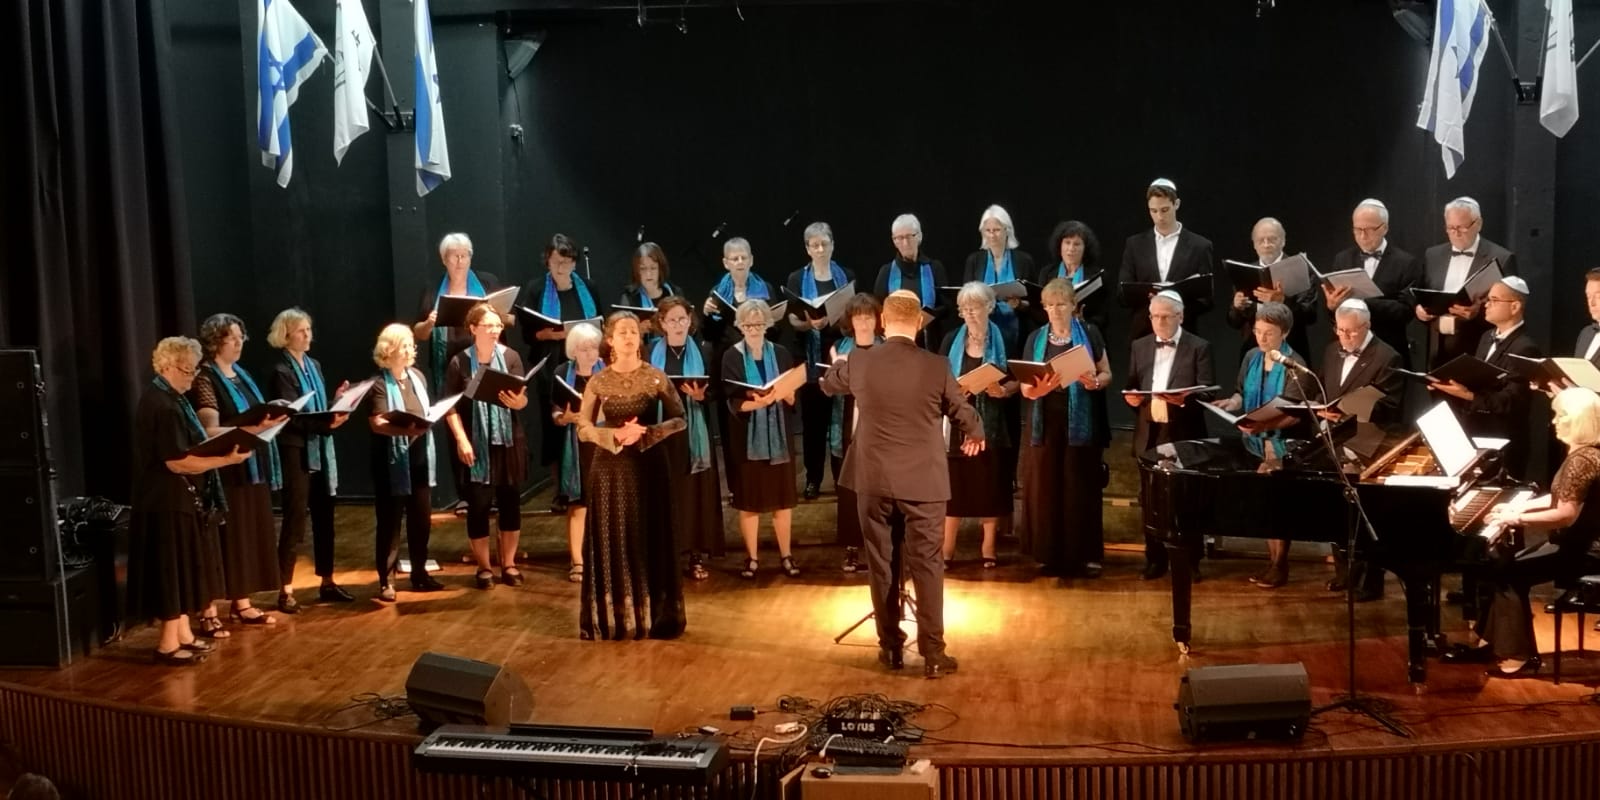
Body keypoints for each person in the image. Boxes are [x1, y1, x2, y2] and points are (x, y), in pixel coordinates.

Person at [821, 290, 985, 678]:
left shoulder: (860, 361)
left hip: (873, 479)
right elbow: (961, 410)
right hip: (923, 481)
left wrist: (837, 365)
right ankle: (933, 654)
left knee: (881, 563)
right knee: (928, 564)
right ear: (918, 324)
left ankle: (891, 648)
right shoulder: (936, 365)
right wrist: (975, 431)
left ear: (882, 323)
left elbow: (828, 384)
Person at [1445, 387, 1600, 676]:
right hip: (1580, 542)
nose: (1553, 421)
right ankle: (1492, 641)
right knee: (1502, 567)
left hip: (1585, 550)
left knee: (1508, 574)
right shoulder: (1588, 452)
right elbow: (1563, 496)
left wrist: (1515, 517)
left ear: (1579, 421)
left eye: (1561, 416)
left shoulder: (1581, 461)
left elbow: (1565, 514)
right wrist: (1521, 506)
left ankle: (1517, 656)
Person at [127, 337, 246, 664]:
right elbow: (176, 461)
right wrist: (226, 460)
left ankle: (183, 634)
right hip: (165, 501)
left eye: (194, 371)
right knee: (171, 571)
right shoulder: (163, 406)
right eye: (186, 371)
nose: (192, 378)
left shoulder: (171, 399)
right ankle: (167, 644)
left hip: (175, 498)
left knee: (180, 570)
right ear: (166, 366)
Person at [575, 312, 688, 639]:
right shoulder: (599, 381)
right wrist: (613, 435)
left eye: (634, 332)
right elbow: (583, 427)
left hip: (649, 465)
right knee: (617, 537)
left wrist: (648, 433)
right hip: (610, 469)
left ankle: (655, 615)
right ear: (610, 340)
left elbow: (680, 418)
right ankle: (618, 618)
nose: (629, 337)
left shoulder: (655, 377)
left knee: (648, 534)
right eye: (622, 332)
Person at [190, 313, 281, 632]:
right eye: (233, 337)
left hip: (252, 466)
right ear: (216, 341)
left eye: (242, 337)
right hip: (225, 470)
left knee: (246, 536)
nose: (240, 342)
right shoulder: (205, 377)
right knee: (223, 539)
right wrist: (254, 427)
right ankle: (208, 610)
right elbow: (208, 429)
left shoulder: (241, 374)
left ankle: (242, 602)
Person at [1210, 302, 1311, 588]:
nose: (1261, 338)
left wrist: (1264, 426)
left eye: (1269, 333)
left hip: (1283, 444)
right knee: (1264, 506)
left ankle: (1280, 564)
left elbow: (1294, 414)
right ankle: (1273, 561)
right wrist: (1230, 403)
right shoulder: (1251, 356)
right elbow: (1241, 393)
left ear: (1285, 333)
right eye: (1257, 331)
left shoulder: (1295, 364)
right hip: (1254, 444)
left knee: (1278, 506)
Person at [1017, 279, 1112, 577]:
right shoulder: (1035, 338)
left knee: (1079, 485)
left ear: (1073, 306)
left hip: (1081, 421)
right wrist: (1039, 389)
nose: (1056, 310)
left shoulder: (1090, 333)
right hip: (1045, 420)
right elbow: (1025, 388)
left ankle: (1084, 556)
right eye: (1050, 305)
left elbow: (1106, 373)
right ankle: (1049, 555)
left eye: (1061, 304)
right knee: (1046, 486)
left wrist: (1094, 382)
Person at [1124, 291, 1216, 578]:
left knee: (1187, 499)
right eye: (1155, 316)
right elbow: (1133, 384)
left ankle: (1190, 561)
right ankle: (1155, 558)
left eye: (1166, 316)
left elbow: (1208, 392)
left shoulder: (1199, 346)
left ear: (1181, 316)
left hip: (1183, 431)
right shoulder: (1139, 346)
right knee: (1150, 499)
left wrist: (1185, 400)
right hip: (1150, 431)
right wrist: (1133, 399)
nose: (1160, 322)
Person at [1318, 298, 1404, 602]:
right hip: (1335, 440)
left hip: (1369, 444)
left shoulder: (1388, 356)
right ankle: (1345, 575)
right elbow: (1324, 389)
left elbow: (1389, 406)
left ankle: (1370, 582)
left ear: (1367, 326)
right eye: (1340, 330)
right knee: (1336, 513)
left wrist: (1348, 410)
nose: (1345, 337)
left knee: (1367, 515)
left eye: (1352, 331)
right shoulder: (1331, 351)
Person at [267, 308, 352, 612]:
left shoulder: (313, 365)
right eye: (301, 330)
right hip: (296, 450)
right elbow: (292, 416)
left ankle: (327, 581)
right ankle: (285, 589)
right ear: (286, 335)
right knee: (295, 519)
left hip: (319, 447)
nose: (307, 335)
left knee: (325, 515)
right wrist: (328, 422)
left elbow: (315, 410)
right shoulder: (281, 371)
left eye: (308, 329)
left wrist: (336, 402)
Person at [443, 303, 531, 590]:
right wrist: (461, 440)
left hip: (508, 440)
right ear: (473, 328)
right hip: (475, 443)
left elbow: (522, 399)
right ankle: (483, 567)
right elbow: (450, 407)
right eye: (488, 325)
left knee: (510, 503)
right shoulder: (459, 362)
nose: (495, 330)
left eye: (497, 325)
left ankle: (509, 564)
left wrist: (519, 402)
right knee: (479, 506)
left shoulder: (511, 357)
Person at [1428, 277, 1542, 480]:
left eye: (1494, 300)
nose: (1486, 305)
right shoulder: (1486, 337)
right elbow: (1477, 378)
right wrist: (1444, 383)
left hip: (1503, 442)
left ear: (1515, 306)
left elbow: (1512, 401)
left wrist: (1469, 396)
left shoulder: (1525, 348)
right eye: (1487, 300)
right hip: (1475, 434)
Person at [939, 282, 1019, 570]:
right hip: (957, 421)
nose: (970, 313)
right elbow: (938, 378)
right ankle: (947, 548)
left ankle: (989, 546)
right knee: (955, 485)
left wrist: (1004, 390)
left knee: (990, 484)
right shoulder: (951, 339)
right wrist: (955, 391)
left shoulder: (1005, 338)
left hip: (993, 422)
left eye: (976, 307)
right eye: (965, 308)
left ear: (990, 307)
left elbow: (1019, 379)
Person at [722, 299, 801, 579]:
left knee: (782, 500)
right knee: (750, 501)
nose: (753, 329)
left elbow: (792, 396)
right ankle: (752, 558)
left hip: (779, 436)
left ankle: (786, 555)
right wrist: (758, 402)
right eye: (747, 325)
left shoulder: (780, 353)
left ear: (767, 324)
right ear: (740, 326)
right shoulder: (731, 356)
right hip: (747, 439)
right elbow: (732, 401)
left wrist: (787, 395)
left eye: (758, 324)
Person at [523, 233, 601, 510]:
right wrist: (553, 335)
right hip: (552, 368)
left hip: (588, 366)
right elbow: (528, 334)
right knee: (556, 427)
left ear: (575, 263)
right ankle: (561, 491)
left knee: (593, 420)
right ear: (547, 261)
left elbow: (600, 323)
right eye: (556, 262)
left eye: (567, 262)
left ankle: (594, 484)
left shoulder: (588, 287)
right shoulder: (536, 289)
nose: (561, 267)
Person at [368, 323, 445, 601]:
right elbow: (377, 423)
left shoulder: (418, 377)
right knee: (390, 522)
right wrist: (406, 430)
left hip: (420, 458)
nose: (411, 349)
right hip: (392, 462)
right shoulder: (378, 384)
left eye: (412, 344)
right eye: (405, 345)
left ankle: (419, 573)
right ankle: (386, 580)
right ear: (389, 349)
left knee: (421, 519)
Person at [649, 296, 724, 580]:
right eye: (672, 320)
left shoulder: (704, 350)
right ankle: (666, 554)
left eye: (682, 319)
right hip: (662, 430)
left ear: (690, 320)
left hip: (694, 428)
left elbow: (716, 389)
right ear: (662, 323)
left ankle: (695, 554)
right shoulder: (650, 351)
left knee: (694, 492)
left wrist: (702, 396)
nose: (678, 325)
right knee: (666, 491)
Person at [785, 222, 853, 501]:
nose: (821, 249)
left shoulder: (846, 276)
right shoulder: (795, 278)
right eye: (815, 245)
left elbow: (853, 314)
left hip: (839, 352)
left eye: (825, 243)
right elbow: (791, 318)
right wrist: (808, 324)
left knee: (840, 419)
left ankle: (842, 478)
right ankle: (813, 479)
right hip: (809, 356)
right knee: (813, 423)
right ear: (807, 249)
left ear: (833, 245)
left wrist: (833, 320)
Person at [1416, 196, 1519, 370]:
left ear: (1478, 224)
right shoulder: (1433, 255)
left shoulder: (1502, 258)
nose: (1456, 233)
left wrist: (1478, 313)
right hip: (1437, 349)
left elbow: (1511, 311)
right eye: (1451, 228)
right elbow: (1422, 291)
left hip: (1477, 346)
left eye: (1462, 227)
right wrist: (1419, 309)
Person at [1325, 199, 1421, 367]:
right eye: (1357, 230)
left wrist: (1362, 303)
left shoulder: (1406, 263)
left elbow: (1405, 311)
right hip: (1348, 350)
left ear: (1385, 228)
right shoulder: (1342, 259)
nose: (1363, 236)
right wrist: (1332, 306)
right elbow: (1335, 313)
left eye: (1369, 230)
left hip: (1389, 351)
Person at [828, 294, 884, 573]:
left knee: (880, 493)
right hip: (848, 423)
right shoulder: (840, 348)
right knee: (849, 490)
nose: (863, 323)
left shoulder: (887, 349)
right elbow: (830, 386)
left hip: (881, 429)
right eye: (858, 317)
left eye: (868, 317)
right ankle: (851, 547)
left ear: (877, 319)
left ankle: (882, 549)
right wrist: (838, 368)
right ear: (850, 321)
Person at [1119, 179, 1215, 340]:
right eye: (1153, 211)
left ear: (1176, 204)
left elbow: (1207, 299)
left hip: (1184, 333)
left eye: (1164, 210)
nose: (1159, 217)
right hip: (1143, 333)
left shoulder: (1200, 246)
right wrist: (1149, 298)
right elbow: (1122, 295)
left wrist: (1174, 306)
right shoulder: (1135, 244)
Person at [413, 232, 508, 392]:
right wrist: (429, 323)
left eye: (464, 255)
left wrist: (499, 316)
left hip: (485, 359)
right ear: (444, 259)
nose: (460, 261)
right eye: (454, 256)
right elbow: (418, 333)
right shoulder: (433, 288)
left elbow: (507, 318)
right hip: (447, 364)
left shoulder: (487, 282)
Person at [1225, 217, 1318, 365]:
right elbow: (1234, 323)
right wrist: (1237, 308)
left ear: (1283, 241)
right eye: (1261, 240)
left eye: (1272, 239)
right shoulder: (1245, 272)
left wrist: (1283, 302)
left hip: (1292, 352)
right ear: (1254, 245)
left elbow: (1310, 315)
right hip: (1254, 354)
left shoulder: (1301, 268)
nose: (1266, 244)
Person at [553, 323, 605, 582]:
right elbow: (555, 411)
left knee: (605, 504)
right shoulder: (563, 372)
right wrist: (565, 417)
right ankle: (578, 561)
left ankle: (605, 558)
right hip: (575, 443)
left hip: (603, 442)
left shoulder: (607, 372)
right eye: (584, 349)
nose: (590, 353)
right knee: (579, 504)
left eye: (594, 347)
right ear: (573, 351)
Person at [962, 205, 1035, 352]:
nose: (992, 235)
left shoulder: (1024, 260)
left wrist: (1019, 304)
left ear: (1007, 230)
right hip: (981, 329)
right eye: (987, 230)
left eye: (996, 230)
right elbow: (966, 297)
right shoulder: (974, 260)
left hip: (1017, 331)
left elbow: (1034, 300)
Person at [872, 214, 951, 350]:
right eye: (900, 238)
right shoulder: (886, 271)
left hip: (930, 342)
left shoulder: (934, 268)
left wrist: (928, 315)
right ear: (894, 241)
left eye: (909, 236)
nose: (905, 243)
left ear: (919, 236)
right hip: (897, 344)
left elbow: (947, 307)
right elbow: (877, 309)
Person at [1040, 220, 1107, 332]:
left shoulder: (1096, 276)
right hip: (1052, 332)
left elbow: (1102, 316)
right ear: (1060, 245)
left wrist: (1083, 321)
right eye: (1067, 242)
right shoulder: (1047, 273)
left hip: (1085, 332)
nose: (1071, 249)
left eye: (1077, 244)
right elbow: (1040, 309)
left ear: (1085, 248)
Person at [618, 242, 682, 338]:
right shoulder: (629, 296)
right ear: (636, 271)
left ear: (660, 269)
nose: (648, 274)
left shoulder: (674, 293)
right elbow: (621, 333)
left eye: (653, 268)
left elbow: (688, 329)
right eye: (643, 269)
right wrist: (637, 330)